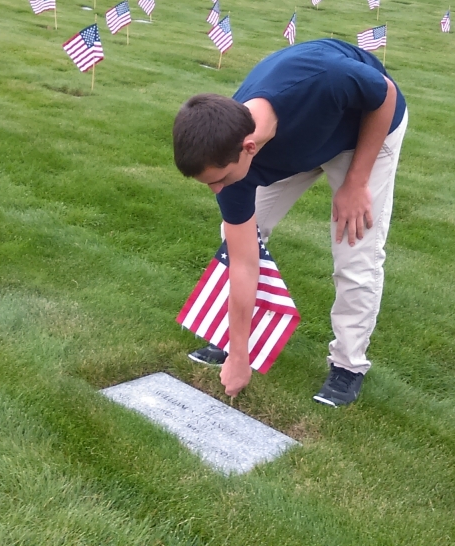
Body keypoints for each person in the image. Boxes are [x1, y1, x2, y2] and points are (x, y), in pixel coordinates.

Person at [172, 39, 408, 407]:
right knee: (236, 238)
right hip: (296, 146)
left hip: (362, 129)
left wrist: (357, 181)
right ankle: (233, 340)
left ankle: (348, 365)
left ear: (248, 147)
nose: (216, 190)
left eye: (219, 179)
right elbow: (245, 263)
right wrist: (239, 355)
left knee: (355, 249)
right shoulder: (230, 158)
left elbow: (384, 94)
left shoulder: (326, 79)